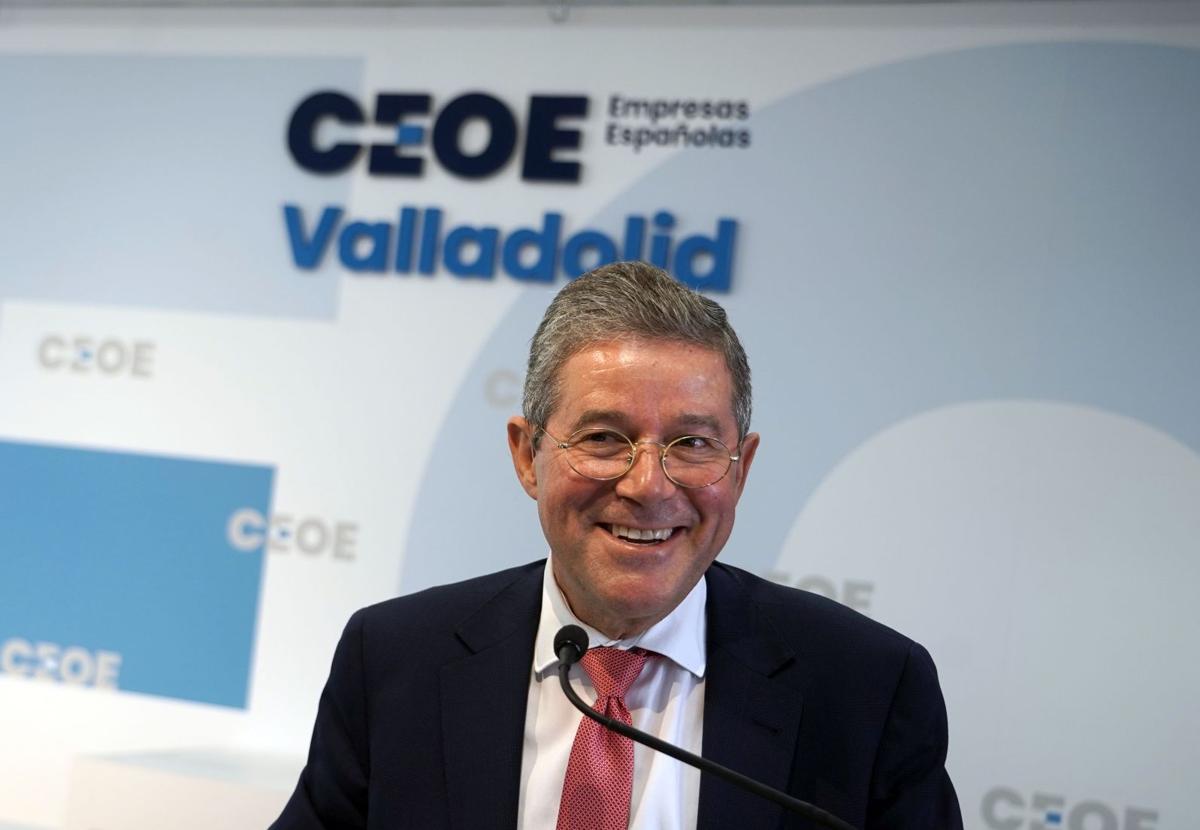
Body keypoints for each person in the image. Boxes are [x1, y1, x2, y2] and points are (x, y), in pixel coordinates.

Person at [271, 261, 963, 829]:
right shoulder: (393, 661)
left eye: (692, 443)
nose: (648, 485)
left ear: (741, 467)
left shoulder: (867, 689)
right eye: (604, 438)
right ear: (527, 455)